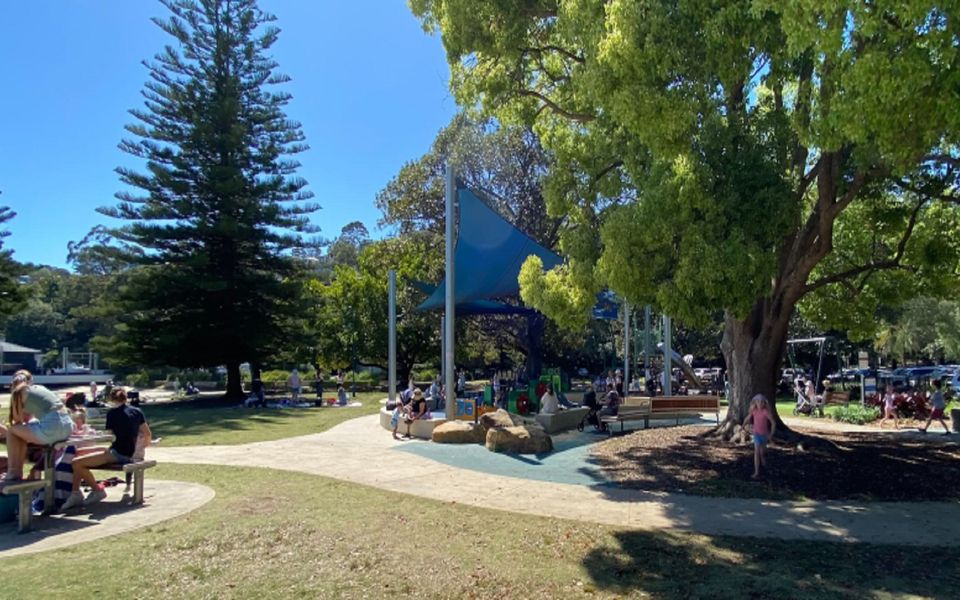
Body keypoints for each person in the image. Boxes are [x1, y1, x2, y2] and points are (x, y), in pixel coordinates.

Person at [61, 388, 152, 510]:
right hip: (129, 452)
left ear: (111, 399)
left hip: (118, 453)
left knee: (76, 463)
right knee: (79, 457)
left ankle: (97, 490)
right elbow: (147, 434)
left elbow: (111, 436)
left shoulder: (112, 414)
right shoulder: (137, 411)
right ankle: (75, 493)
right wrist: (140, 449)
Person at [0, 382, 74, 488]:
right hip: (67, 425)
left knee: (12, 431)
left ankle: (13, 472)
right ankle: (16, 472)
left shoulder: (18, 393)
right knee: (19, 431)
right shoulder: (39, 389)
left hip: (52, 427)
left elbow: (17, 420)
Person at [742, 393, 776, 479]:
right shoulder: (754, 411)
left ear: (764, 403)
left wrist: (771, 434)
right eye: (758, 402)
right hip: (756, 434)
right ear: (755, 403)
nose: (760, 404)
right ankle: (756, 472)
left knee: (762, 452)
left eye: (761, 402)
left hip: (764, 435)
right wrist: (743, 425)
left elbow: (773, 422)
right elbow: (748, 418)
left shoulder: (765, 412)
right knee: (756, 452)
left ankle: (763, 461)